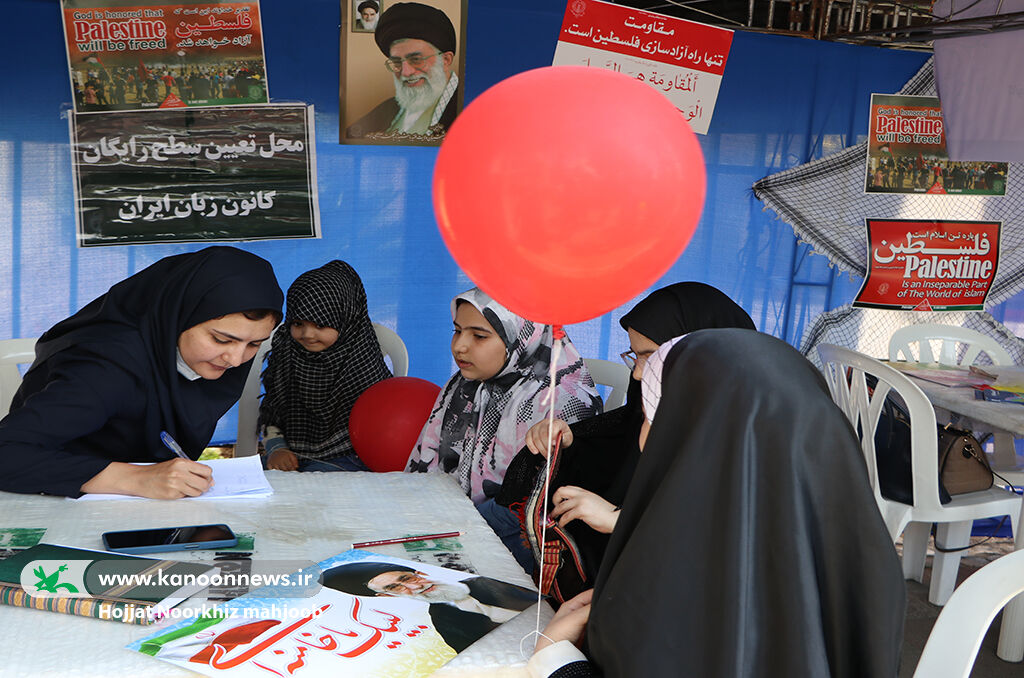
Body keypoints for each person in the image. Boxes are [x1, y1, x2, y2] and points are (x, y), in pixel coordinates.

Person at [528, 329, 907, 678]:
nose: (641, 437)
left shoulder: (663, 581)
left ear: (689, 437)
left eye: (647, 418)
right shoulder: (869, 565)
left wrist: (555, 658)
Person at [497, 282, 755, 586]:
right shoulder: (644, 411)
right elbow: (612, 449)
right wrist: (568, 443)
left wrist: (620, 522)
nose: (638, 373)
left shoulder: (746, 449)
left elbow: (719, 551)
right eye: (635, 356)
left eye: (650, 356)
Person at [0, 247, 283, 499]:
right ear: (178, 317)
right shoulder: (105, 369)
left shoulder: (201, 356)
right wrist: (134, 478)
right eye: (222, 340)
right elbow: (6, 452)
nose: (235, 359)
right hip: (53, 503)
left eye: (254, 344)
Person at [406, 288, 602, 561]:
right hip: (451, 525)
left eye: (479, 335)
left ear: (522, 338)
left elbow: (534, 514)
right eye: (457, 330)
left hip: (513, 548)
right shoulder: (465, 386)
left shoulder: (558, 402)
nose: (459, 346)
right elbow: (427, 463)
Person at [258, 260, 391, 472]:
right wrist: (277, 449)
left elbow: (384, 432)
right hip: (290, 457)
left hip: (352, 461)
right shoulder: (287, 354)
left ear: (346, 319)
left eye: (320, 324)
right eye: (298, 323)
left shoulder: (363, 368)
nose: (307, 334)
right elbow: (272, 414)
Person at [323, 561, 536, 652]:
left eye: (406, 577)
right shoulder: (443, 621)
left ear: (420, 573)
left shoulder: (484, 582)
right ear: (386, 596)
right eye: (395, 588)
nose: (412, 587)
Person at [346, 2, 461, 139]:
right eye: (396, 62)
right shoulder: (387, 109)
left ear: (446, 60)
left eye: (416, 59)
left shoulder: (470, 108)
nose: (406, 73)